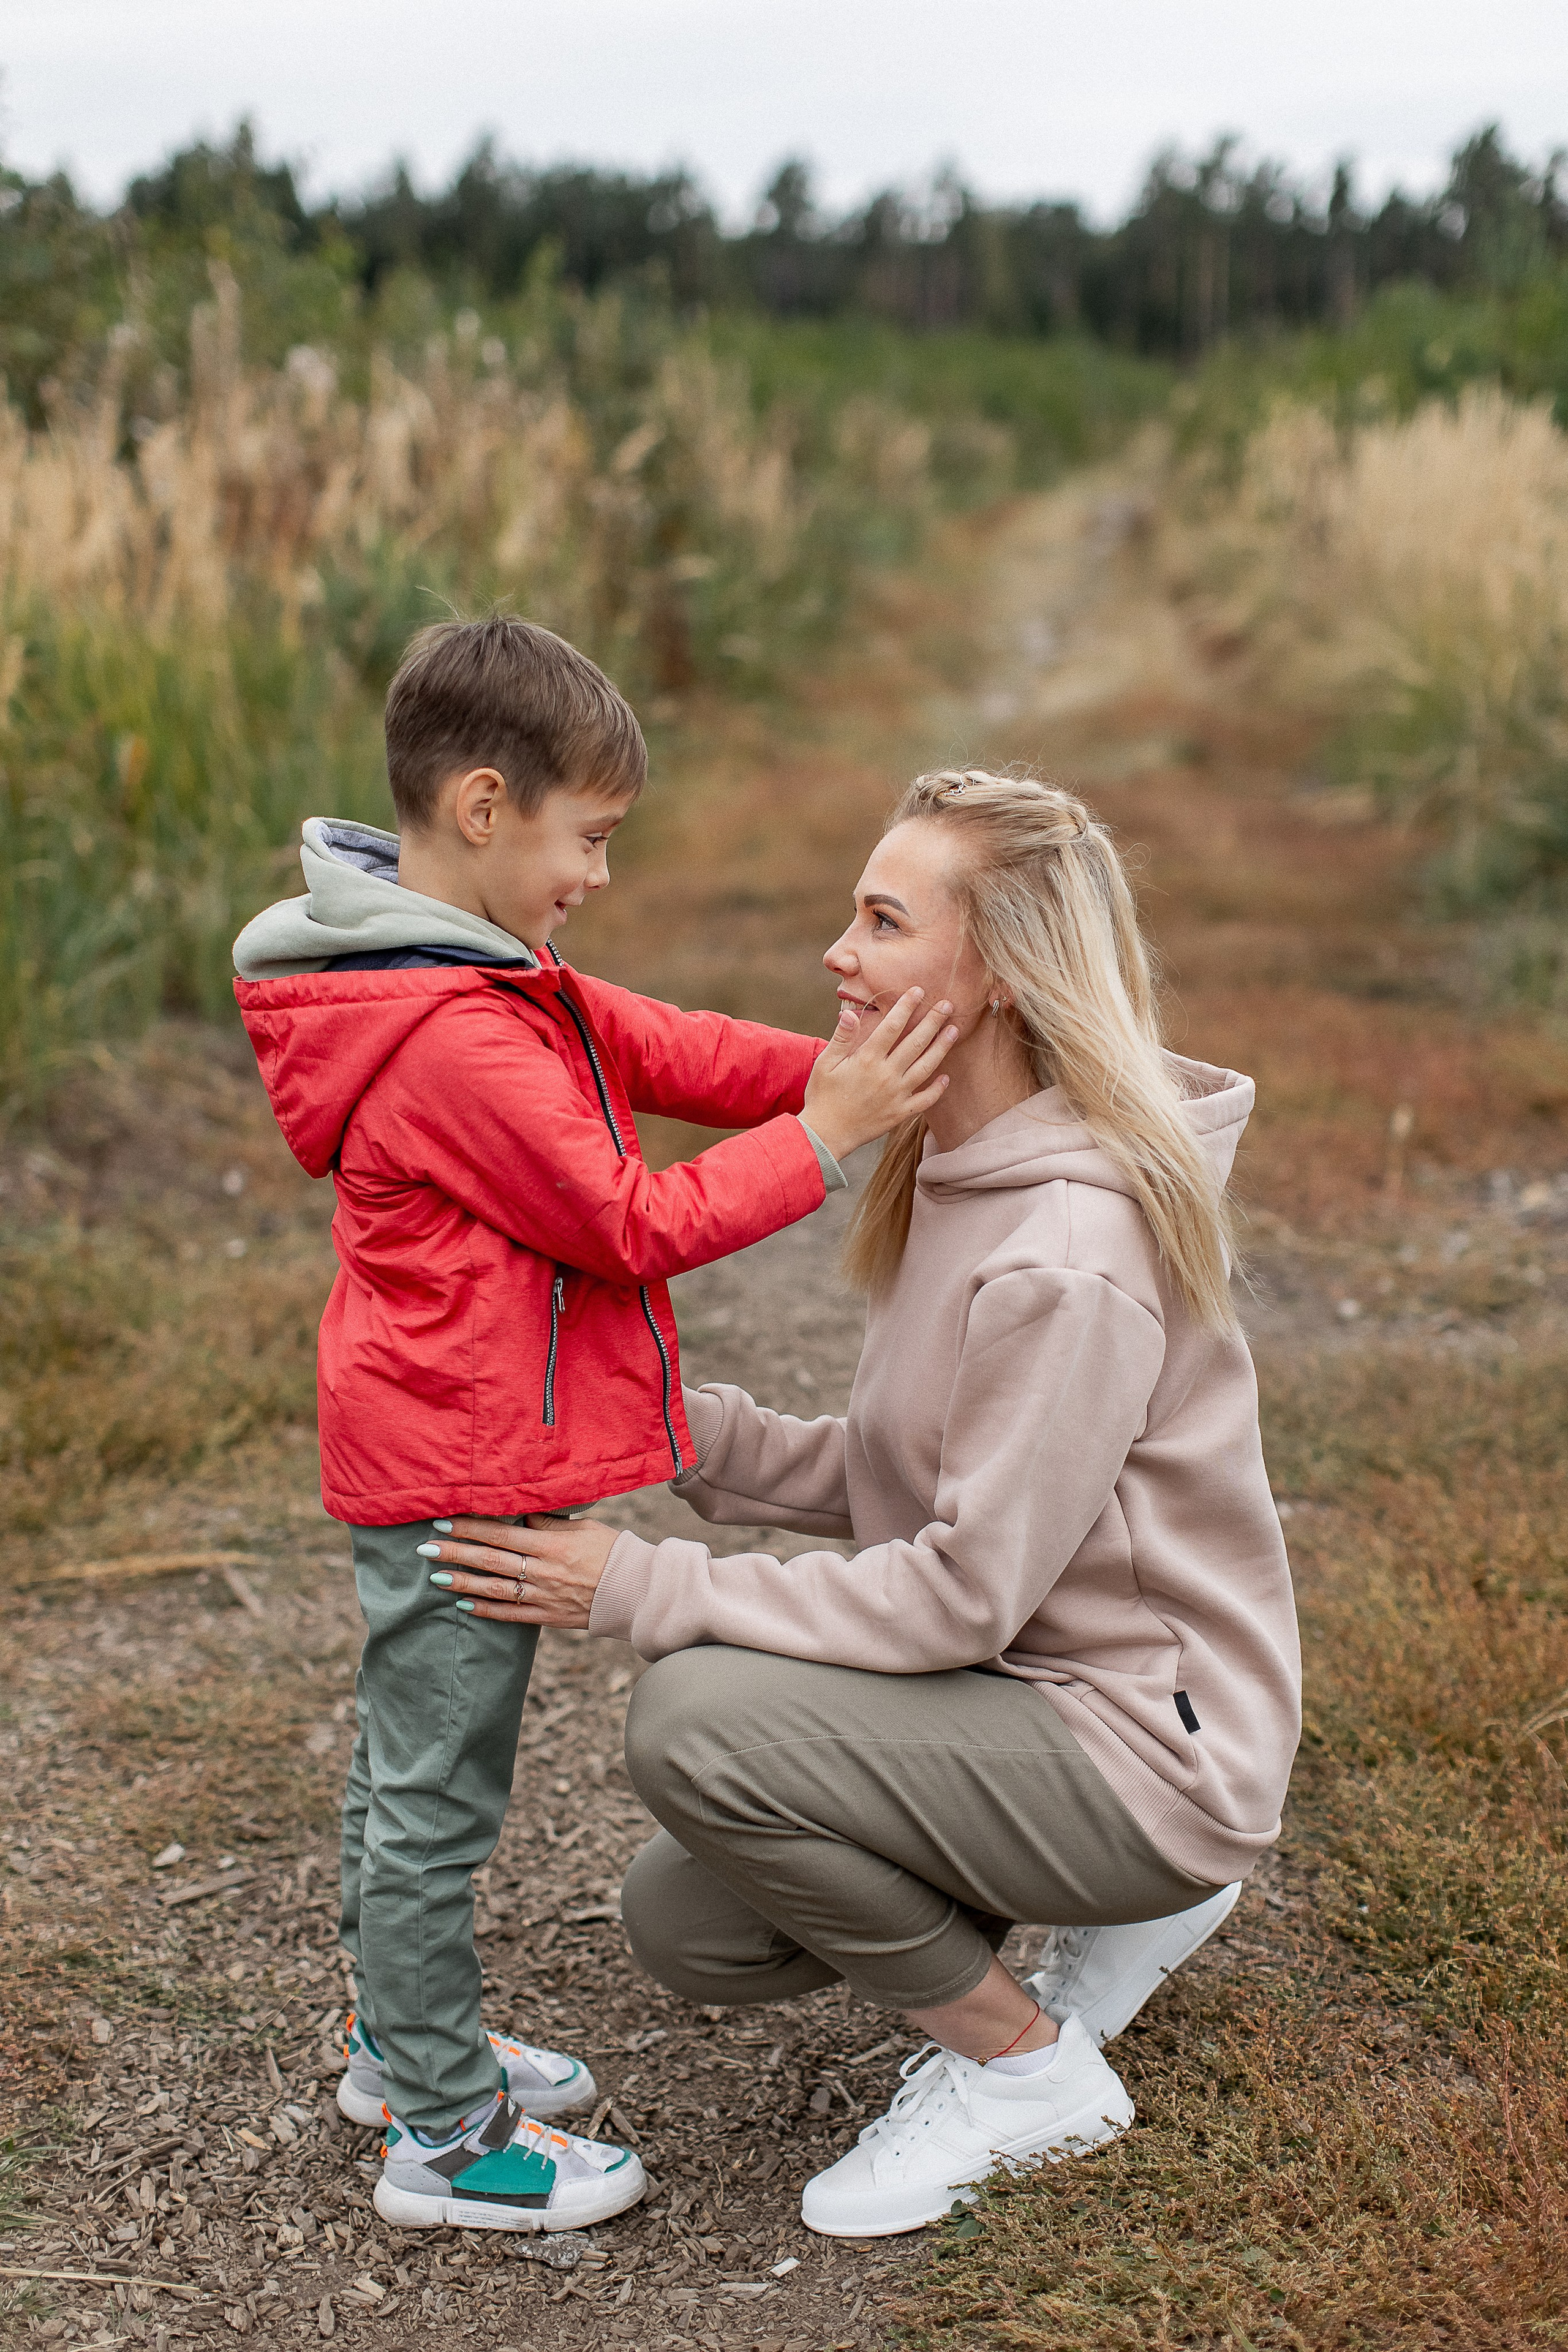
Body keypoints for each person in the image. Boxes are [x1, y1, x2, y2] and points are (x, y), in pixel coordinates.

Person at [424, 768, 1302, 2239]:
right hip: (1029, 1695)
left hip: (1146, 1746)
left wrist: (634, 1585)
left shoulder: (1065, 1252)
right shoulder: (963, 1170)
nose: (837, 954)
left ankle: (1025, 2073)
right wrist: (656, 1428)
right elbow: (896, 1469)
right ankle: (1114, 1910)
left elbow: (960, 1589)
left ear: (1002, 977)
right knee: (686, 1920)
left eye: (883, 921)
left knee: (696, 1722)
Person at [230, 617, 956, 2236]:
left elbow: (658, 1046)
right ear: (484, 807)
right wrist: (832, 1136)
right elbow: (623, 1221)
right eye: (591, 839)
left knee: (402, 1770)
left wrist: (864, 1073)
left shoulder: (456, 961)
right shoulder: (450, 1031)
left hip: (435, 1446)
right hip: (456, 1477)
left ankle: (392, 2040)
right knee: (437, 1791)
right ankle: (441, 2132)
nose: (601, 877)